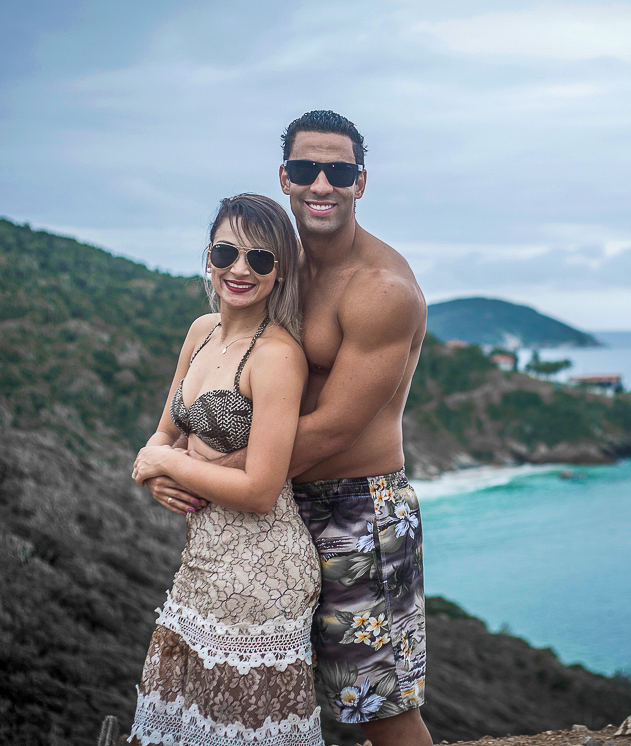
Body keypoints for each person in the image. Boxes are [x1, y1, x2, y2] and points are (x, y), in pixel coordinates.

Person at [147, 111, 432, 746]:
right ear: (285, 177)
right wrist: (174, 457)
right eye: (306, 169)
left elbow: (332, 428)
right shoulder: (274, 266)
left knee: (379, 706)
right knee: (260, 696)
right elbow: (228, 358)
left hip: (355, 511)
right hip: (273, 513)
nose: (322, 184)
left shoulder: (383, 290)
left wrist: (194, 474)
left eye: (339, 170)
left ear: (362, 181)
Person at [128, 194, 323, 746]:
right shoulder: (201, 331)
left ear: (279, 270)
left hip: (262, 573)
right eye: (226, 252)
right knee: (185, 727)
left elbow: (261, 489)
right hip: (201, 561)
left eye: (260, 259)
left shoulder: (278, 357)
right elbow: (165, 432)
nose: (240, 269)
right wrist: (155, 470)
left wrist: (167, 464)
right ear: (209, 256)